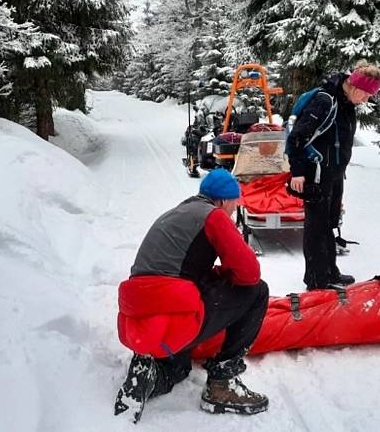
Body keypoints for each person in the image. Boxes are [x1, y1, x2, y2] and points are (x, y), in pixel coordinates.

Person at [114, 168, 269, 422]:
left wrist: (216, 273)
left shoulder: (173, 214)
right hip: (175, 311)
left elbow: (177, 268)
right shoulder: (214, 216)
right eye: (234, 202)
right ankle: (222, 383)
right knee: (256, 291)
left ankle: (150, 374)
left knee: (179, 368)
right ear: (223, 200)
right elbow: (249, 273)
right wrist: (227, 274)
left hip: (141, 321)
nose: (234, 209)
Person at [286, 60, 380, 290]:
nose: (367, 99)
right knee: (316, 226)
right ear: (356, 87)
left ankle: (330, 272)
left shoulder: (346, 104)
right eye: (367, 94)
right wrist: (298, 172)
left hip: (333, 174)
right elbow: (296, 138)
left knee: (328, 224)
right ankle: (317, 280)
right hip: (315, 173)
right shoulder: (325, 101)